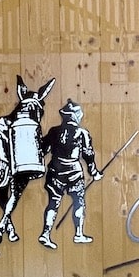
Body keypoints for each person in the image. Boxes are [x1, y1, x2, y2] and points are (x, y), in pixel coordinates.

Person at [38, 99, 102, 248]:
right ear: (76, 116)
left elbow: (43, 149)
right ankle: (78, 234)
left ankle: (45, 234)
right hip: (74, 172)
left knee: (53, 203)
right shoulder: (82, 133)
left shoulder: (54, 131)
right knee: (79, 202)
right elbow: (88, 155)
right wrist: (94, 172)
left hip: (55, 170)